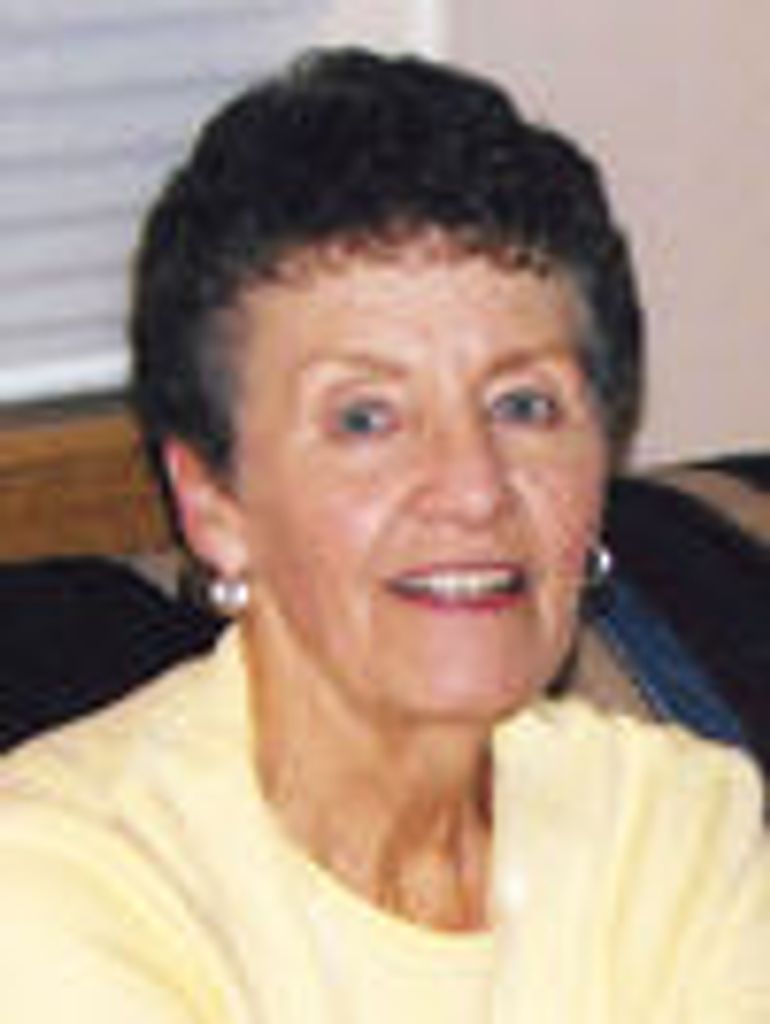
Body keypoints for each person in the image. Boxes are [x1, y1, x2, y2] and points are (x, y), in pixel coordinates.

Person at [0, 47, 766, 1022]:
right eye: (365, 418)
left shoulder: (672, 823)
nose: (473, 488)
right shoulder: (67, 873)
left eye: (524, 404)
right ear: (213, 503)